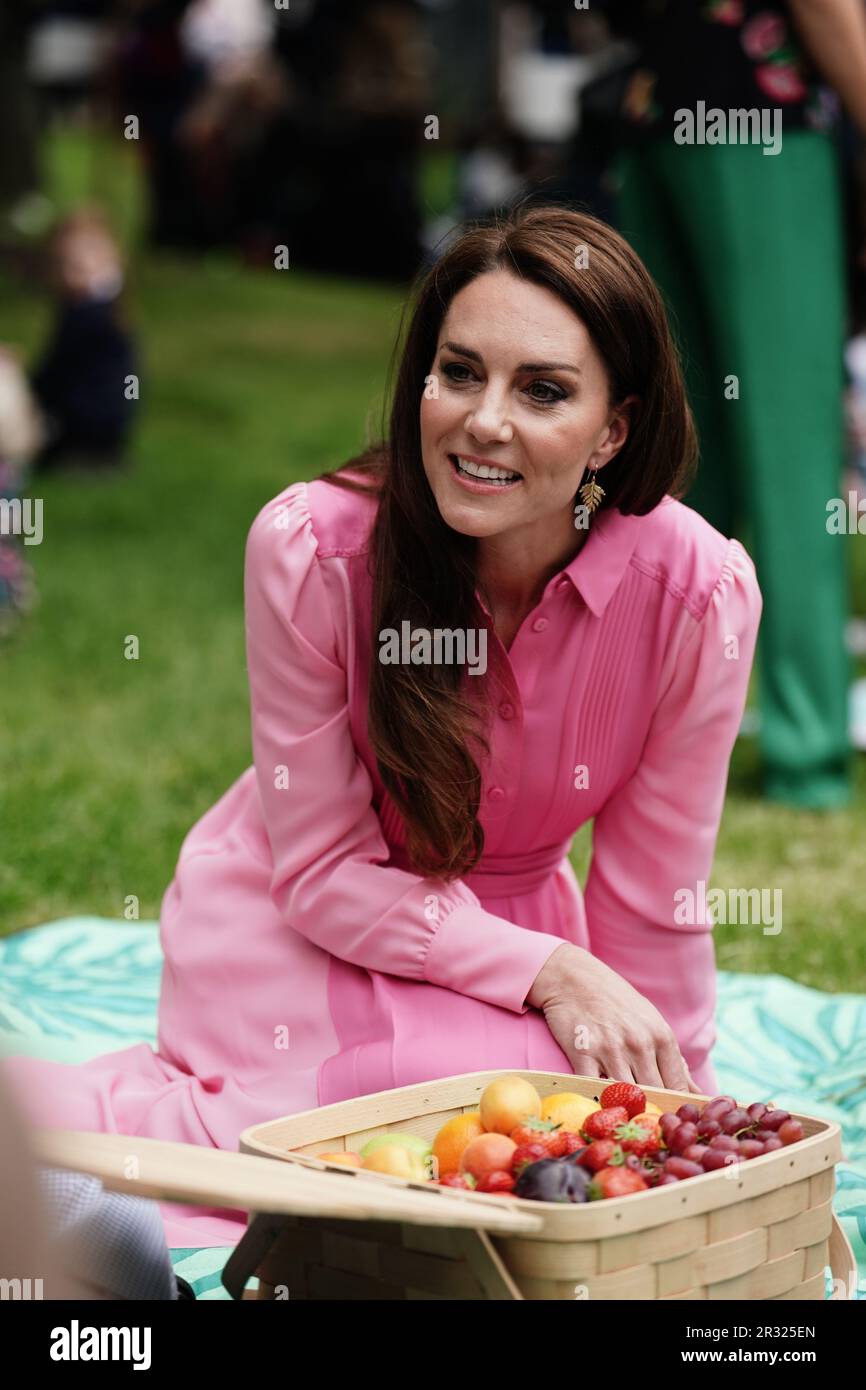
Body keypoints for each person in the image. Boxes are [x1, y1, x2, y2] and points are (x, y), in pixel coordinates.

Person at [4, 206, 762, 1248]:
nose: (482, 420)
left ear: (613, 427)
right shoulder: (313, 549)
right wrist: (549, 971)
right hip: (295, 915)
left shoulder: (695, 593)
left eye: (541, 390)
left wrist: (678, 1133)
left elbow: (651, 901)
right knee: (446, 1113)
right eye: (458, 372)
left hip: (509, 937)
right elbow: (317, 869)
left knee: (550, 1126)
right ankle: (66, 1131)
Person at [599, 0, 866, 809]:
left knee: (677, 453)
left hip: (658, 108)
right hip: (763, 114)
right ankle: (806, 752)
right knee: (792, 454)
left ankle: (648, 748)